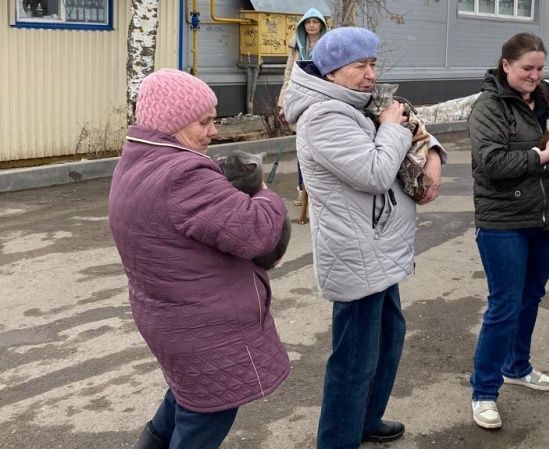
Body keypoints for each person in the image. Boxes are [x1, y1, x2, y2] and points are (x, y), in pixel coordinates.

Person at [108, 68, 290, 449]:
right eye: (204, 122)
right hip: (205, 330)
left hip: (173, 319)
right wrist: (265, 193)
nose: (214, 131)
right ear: (172, 124)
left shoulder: (137, 160)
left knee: (183, 401)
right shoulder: (184, 173)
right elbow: (257, 231)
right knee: (205, 417)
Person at [281, 27, 444, 449]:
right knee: (354, 358)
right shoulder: (323, 116)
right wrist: (392, 127)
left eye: (373, 63)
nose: (371, 74)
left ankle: (366, 419)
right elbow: (374, 173)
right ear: (333, 72)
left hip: (378, 247)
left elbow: (411, 126)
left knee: (387, 340)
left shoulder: (355, 102)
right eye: (360, 66)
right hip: (356, 254)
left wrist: (432, 152)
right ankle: (338, 439)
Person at [467, 32, 549, 430]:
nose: (535, 76)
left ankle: (517, 367)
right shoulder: (489, 107)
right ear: (506, 65)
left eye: (540, 68)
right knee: (504, 304)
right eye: (527, 68)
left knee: (531, 297)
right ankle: (483, 392)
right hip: (504, 221)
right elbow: (491, 163)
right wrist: (542, 155)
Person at [277, 8, 328, 208]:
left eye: (315, 22)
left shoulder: (328, 45)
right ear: (303, 26)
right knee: (302, 148)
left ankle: (319, 192)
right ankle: (302, 190)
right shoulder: (296, 45)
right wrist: (283, 103)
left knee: (321, 147)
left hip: (322, 100)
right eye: (308, 22)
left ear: (321, 25)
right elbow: (288, 73)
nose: (312, 25)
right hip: (300, 101)